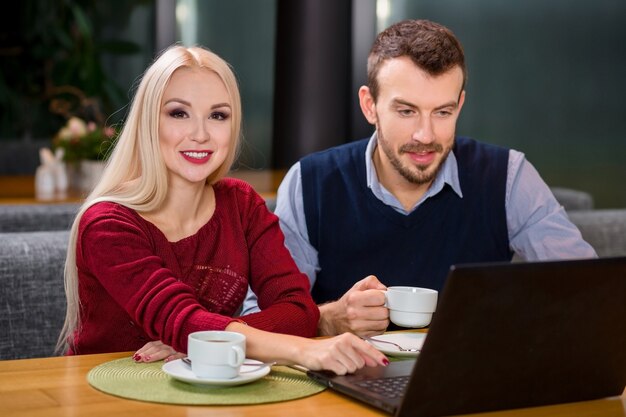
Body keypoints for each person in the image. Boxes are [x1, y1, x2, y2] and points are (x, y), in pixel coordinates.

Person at [242, 19, 597, 337]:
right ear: (370, 106)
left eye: (442, 112)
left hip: (469, 388)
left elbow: (590, 291)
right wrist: (326, 318)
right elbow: (257, 319)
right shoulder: (310, 183)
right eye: (407, 111)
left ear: (459, 105)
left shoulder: (508, 177)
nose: (425, 135)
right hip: (345, 391)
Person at [55, 44, 387, 375]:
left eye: (218, 116)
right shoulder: (107, 223)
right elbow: (183, 319)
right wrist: (302, 349)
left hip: (207, 386)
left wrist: (199, 337)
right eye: (178, 113)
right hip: (103, 391)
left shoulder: (241, 204)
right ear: (148, 123)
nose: (200, 134)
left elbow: (299, 310)